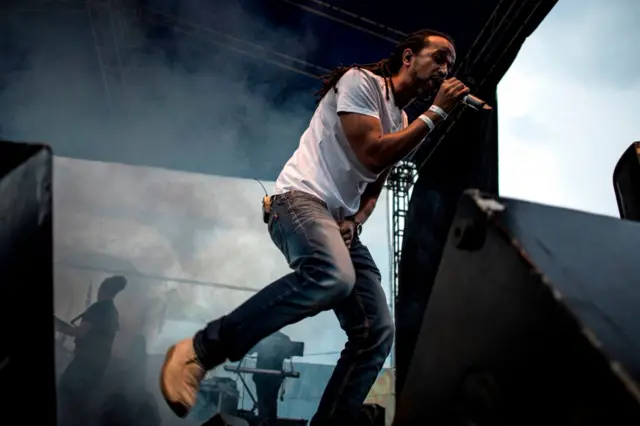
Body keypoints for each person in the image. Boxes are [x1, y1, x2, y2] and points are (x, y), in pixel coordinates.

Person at [160, 29, 469, 425]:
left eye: (451, 65)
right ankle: (199, 351)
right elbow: (372, 154)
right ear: (408, 56)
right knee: (333, 277)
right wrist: (438, 112)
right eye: (439, 57)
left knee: (377, 330)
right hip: (299, 201)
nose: (445, 70)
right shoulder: (360, 82)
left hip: (339, 219)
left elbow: (375, 184)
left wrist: (355, 221)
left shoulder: (402, 118)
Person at [56, 275, 127, 426]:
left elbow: (81, 333)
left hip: (85, 364)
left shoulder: (98, 308)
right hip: (98, 365)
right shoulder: (112, 311)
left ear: (101, 289)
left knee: (67, 393)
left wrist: (58, 326)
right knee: (80, 401)